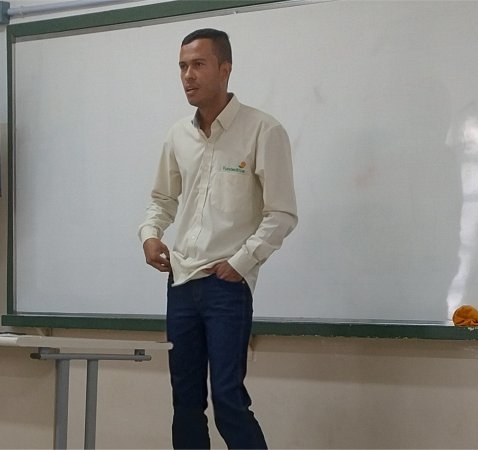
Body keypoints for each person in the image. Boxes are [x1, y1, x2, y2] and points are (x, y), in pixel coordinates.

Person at [138, 28, 298, 449]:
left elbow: (281, 213)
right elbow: (162, 199)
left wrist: (241, 264)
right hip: (181, 283)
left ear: (225, 70)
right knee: (185, 402)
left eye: (198, 65)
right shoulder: (178, 135)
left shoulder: (263, 130)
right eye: (182, 66)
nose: (188, 76)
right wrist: (151, 235)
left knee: (228, 399)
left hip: (226, 285)